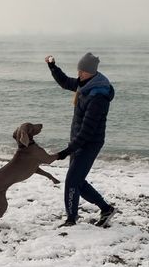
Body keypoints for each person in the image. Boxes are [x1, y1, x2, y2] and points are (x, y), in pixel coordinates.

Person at [45, 52, 116, 227]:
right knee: (78, 181)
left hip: (89, 142)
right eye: (79, 70)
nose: (79, 74)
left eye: (83, 71)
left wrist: (66, 151)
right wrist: (53, 66)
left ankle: (71, 219)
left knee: (72, 181)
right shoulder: (84, 84)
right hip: (78, 140)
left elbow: (87, 130)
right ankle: (106, 209)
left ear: (92, 72)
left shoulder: (98, 95)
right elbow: (65, 82)